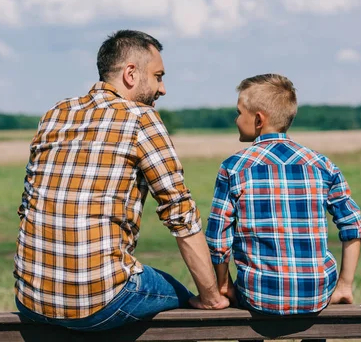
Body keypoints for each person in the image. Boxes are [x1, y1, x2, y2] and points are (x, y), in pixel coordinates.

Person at [14, 30, 228, 332]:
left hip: (29, 301)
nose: (163, 89)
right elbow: (180, 213)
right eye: (158, 76)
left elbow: (27, 205)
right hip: (99, 302)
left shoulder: (55, 114)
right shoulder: (141, 118)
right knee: (184, 300)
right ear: (131, 73)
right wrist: (210, 297)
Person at [204, 73, 361, 317]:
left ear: (258, 119)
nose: (236, 119)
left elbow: (218, 237)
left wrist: (224, 284)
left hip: (258, 296)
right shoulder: (322, 165)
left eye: (239, 112)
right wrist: (344, 284)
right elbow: (353, 224)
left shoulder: (234, 167)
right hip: (315, 296)